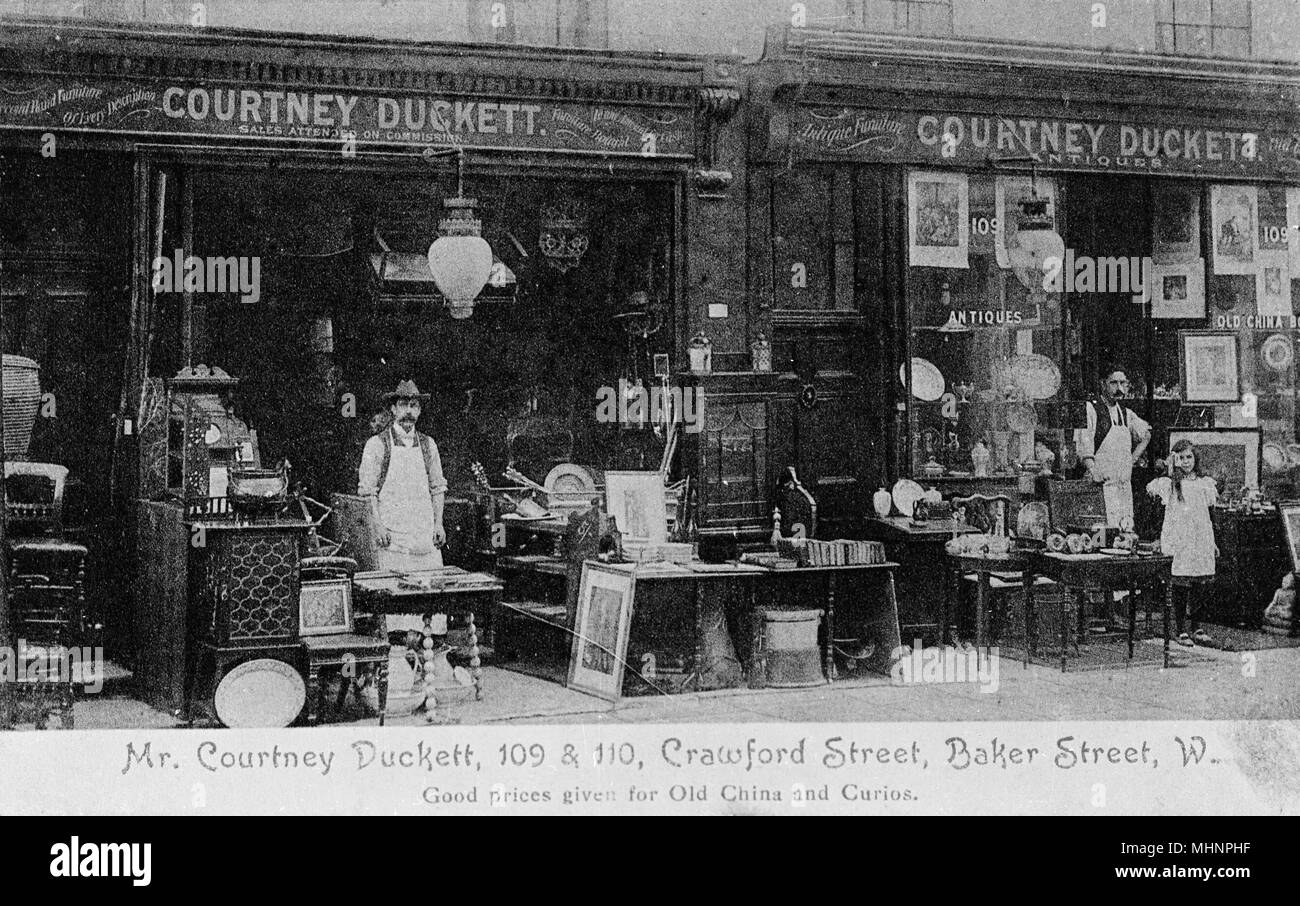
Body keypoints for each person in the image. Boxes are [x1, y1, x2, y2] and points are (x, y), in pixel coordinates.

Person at [357, 379, 448, 574]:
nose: (409, 411)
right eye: (403, 405)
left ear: (419, 411)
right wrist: (378, 527)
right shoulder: (377, 445)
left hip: (425, 541)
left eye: (414, 405)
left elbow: (438, 488)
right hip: (392, 542)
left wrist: (439, 524)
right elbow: (368, 493)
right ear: (393, 409)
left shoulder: (428, 445)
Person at [1146, 440, 1218, 647]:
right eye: (1181, 458)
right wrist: (1169, 470)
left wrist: (1212, 542)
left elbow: (1210, 514)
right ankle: (1180, 629)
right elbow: (1152, 495)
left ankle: (1197, 626)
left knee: (1200, 583)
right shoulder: (1169, 484)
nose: (1186, 462)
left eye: (1189, 457)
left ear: (1195, 459)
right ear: (1174, 459)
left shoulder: (1204, 483)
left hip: (1201, 536)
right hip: (1180, 538)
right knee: (1181, 583)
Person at [1074, 366, 1152, 527]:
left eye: (1123, 383)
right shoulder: (1090, 408)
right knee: (1099, 534)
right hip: (1100, 487)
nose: (1119, 388)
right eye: (1114, 383)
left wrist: (1132, 460)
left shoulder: (1126, 413)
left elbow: (1146, 435)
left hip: (1123, 488)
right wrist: (1093, 470)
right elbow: (1084, 444)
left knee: (1124, 533)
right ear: (1103, 384)